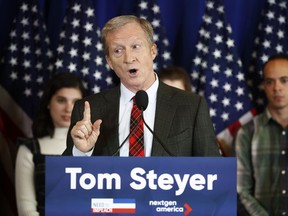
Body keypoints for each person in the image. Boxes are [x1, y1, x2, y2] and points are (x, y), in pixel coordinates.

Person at [62, 15, 220, 157]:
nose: (129, 58)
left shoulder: (192, 106)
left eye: (136, 47)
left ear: (153, 51)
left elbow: (212, 173)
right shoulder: (88, 110)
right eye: (118, 50)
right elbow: (65, 179)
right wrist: (82, 152)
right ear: (109, 61)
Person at [15, 72, 86, 216]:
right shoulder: (30, 149)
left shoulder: (96, 147)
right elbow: (26, 208)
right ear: (49, 103)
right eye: (61, 100)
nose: (68, 109)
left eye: (75, 102)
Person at [234, 54, 288, 215]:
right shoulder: (247, 133)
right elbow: (241, 191)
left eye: (284, 80)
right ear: (263, 86)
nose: (276, 88)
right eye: (269, 82)